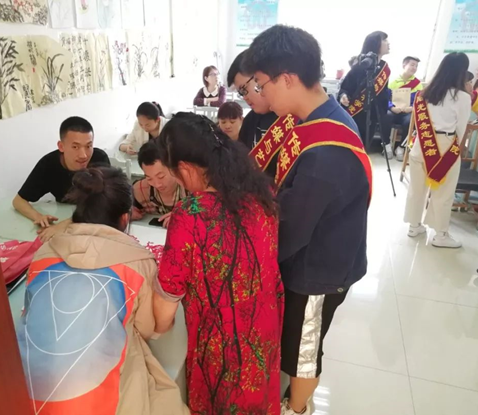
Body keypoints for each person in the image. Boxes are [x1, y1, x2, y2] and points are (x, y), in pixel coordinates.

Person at [242, 24, 372, 415]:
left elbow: (289, 231)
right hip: (314, 250)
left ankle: (297, 408)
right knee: (296, 339)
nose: (261, 93)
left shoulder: (325, 152)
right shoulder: (312, 116)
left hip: (318, 270)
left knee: (303, 347)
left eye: (262, 84)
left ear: (288, 78)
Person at [16, 166, 188, 415]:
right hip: (93, 399)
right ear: (125, 218)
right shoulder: (137, 262)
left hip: (22, 391)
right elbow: (148, 330)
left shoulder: (44, 253)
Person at [153, 113, 284, 414]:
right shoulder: (261, 191)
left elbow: (167, 300)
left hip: (223, 340)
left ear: (185, 168)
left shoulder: (191, 214)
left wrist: (157, 330)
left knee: (224, 402)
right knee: (258, 395)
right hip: (264, 321)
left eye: (173, 173)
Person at [404, 52, 471, 248]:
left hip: (421, 145)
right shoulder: (462, 97)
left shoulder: (424, 94)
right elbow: (461, 129)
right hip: (446, 146)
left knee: (416, 189)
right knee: (444, 192)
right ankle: (441, 235)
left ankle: (414, 226)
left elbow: (419, 124)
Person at [13, 116, 110, 241]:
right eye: (75, 147)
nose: (83, 155)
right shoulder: (48, 164)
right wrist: (38, 217)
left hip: (93, 226)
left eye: (88, 146)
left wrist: (65, 225)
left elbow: (106, 203)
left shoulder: (99, 159)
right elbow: (18, 201)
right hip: (62, 218)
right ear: (61, 146)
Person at [228, 50, 296, 178]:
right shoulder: (250, 121)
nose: (245, 97)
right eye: (240, 93)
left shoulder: (295, 118)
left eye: (244, 89)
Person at [338, 31, 391, 147]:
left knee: (365, 147)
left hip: (374, 116)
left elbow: (383, 93)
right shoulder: (361, 66)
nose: (388, 43)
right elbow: (345, 88)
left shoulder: (384, 68)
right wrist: (343, 96)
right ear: (376, 43)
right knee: (352, 146)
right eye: (384, 40)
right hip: (357, 114)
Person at [132, 141, 187, 228]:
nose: (157, 184)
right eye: (149, 178)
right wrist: (128, 213)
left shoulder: (193, 188)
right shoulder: (140, 190)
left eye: (161, 177)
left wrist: (187, 217)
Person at [381, 56, 424, 161]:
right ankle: (386, 145)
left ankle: (401, 147)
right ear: (404, 65)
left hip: (407, 112)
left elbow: (419, 101)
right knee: (385, 116)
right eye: (412, 65)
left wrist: (411, 108)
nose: (414, 68)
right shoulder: (393, 81)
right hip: (394, 110)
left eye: (416, 66)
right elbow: (385, 98)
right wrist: (391, 107)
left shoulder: (418, 84)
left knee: (410, 121)